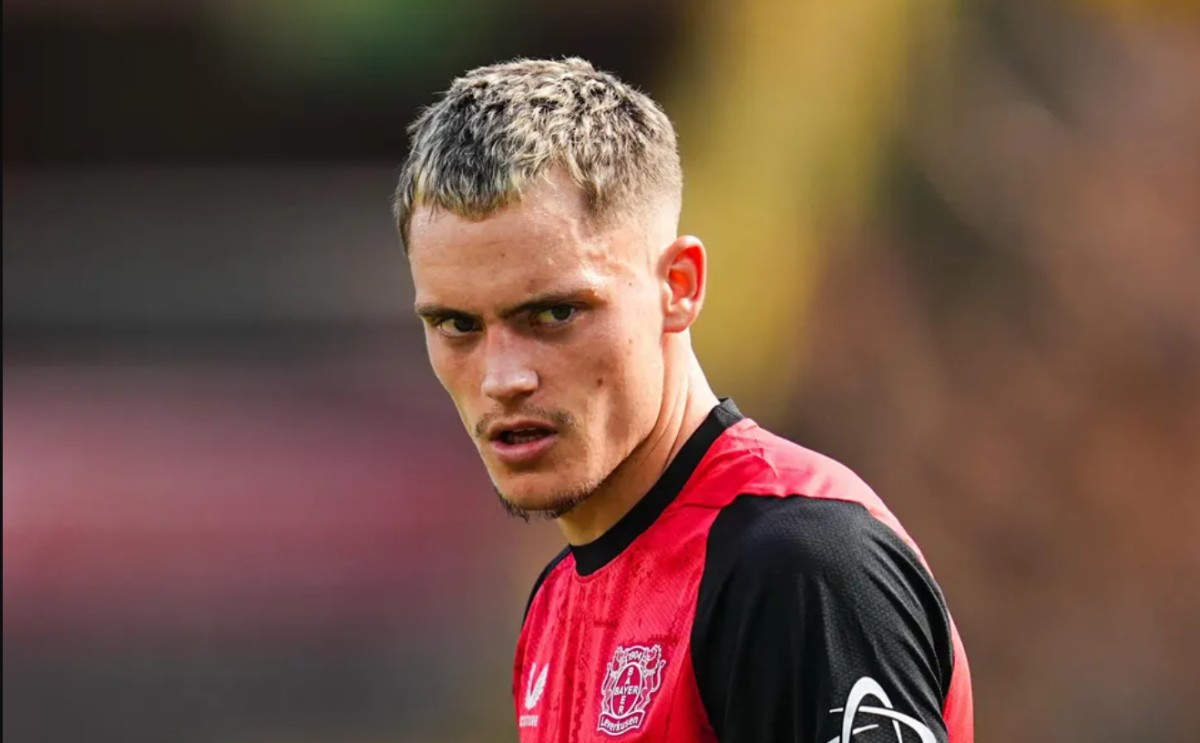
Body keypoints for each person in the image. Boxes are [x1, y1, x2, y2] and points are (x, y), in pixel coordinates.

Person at [394, 57, 973, 742]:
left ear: (680, 286)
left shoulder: (797, 567)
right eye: (457, 325)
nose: (502, 377)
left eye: (553, 314)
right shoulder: (555, 603)